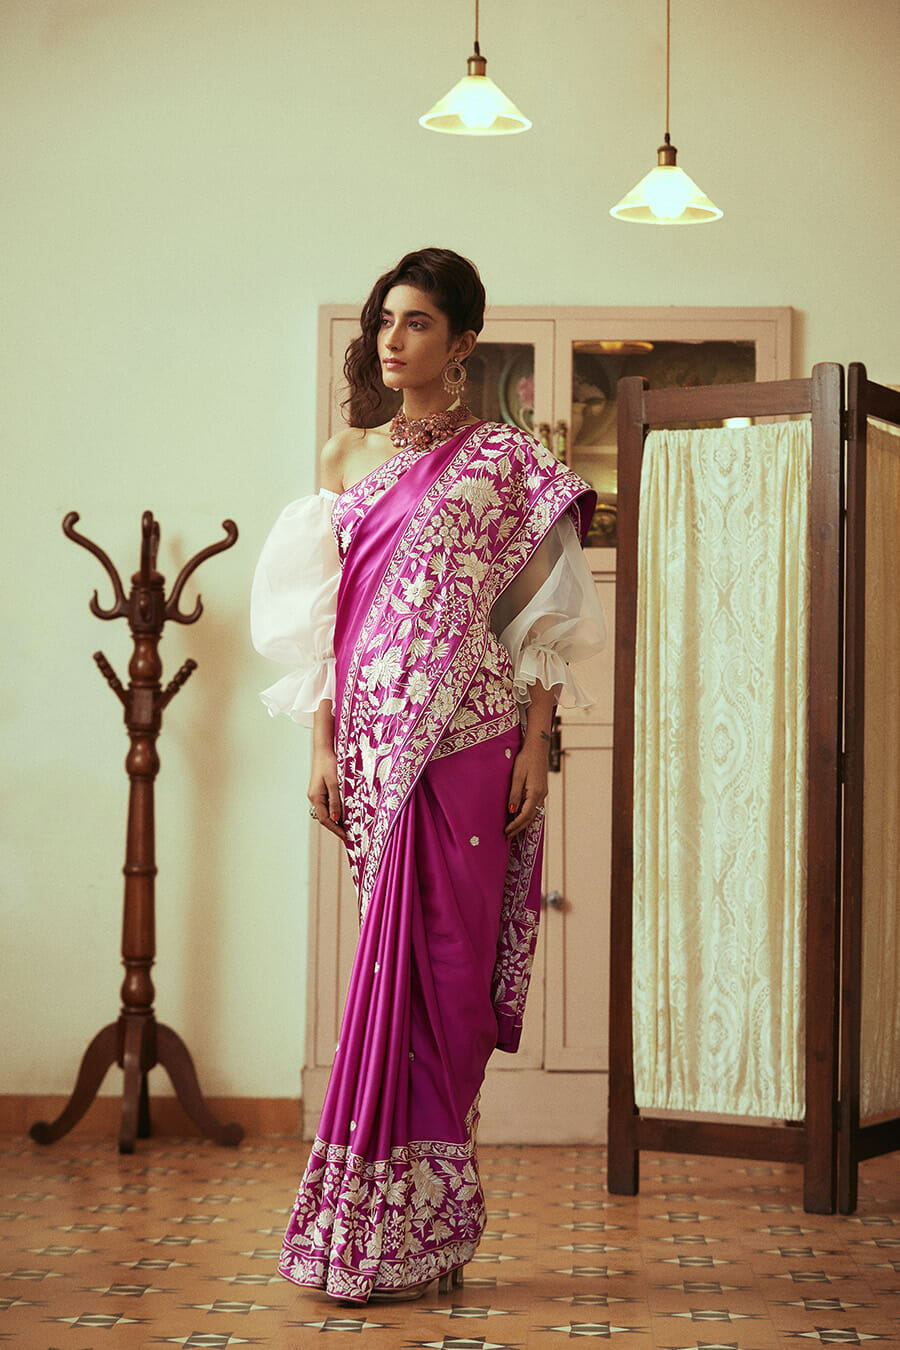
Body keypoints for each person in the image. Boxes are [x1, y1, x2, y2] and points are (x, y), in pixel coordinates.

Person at [250, 247, 605, 1304]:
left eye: (415, 322)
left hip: (471, 745)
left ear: (462, 344)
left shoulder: (506, 463)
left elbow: (545, 622)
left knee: (449, 984)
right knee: (389, 975)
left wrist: (537, 743)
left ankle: (430, 1222)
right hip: (374, 752)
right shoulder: (345, 459)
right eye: (384, 322)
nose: (392, 340)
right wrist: (322, 745)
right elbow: (324, 626)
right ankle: (369, 1229)